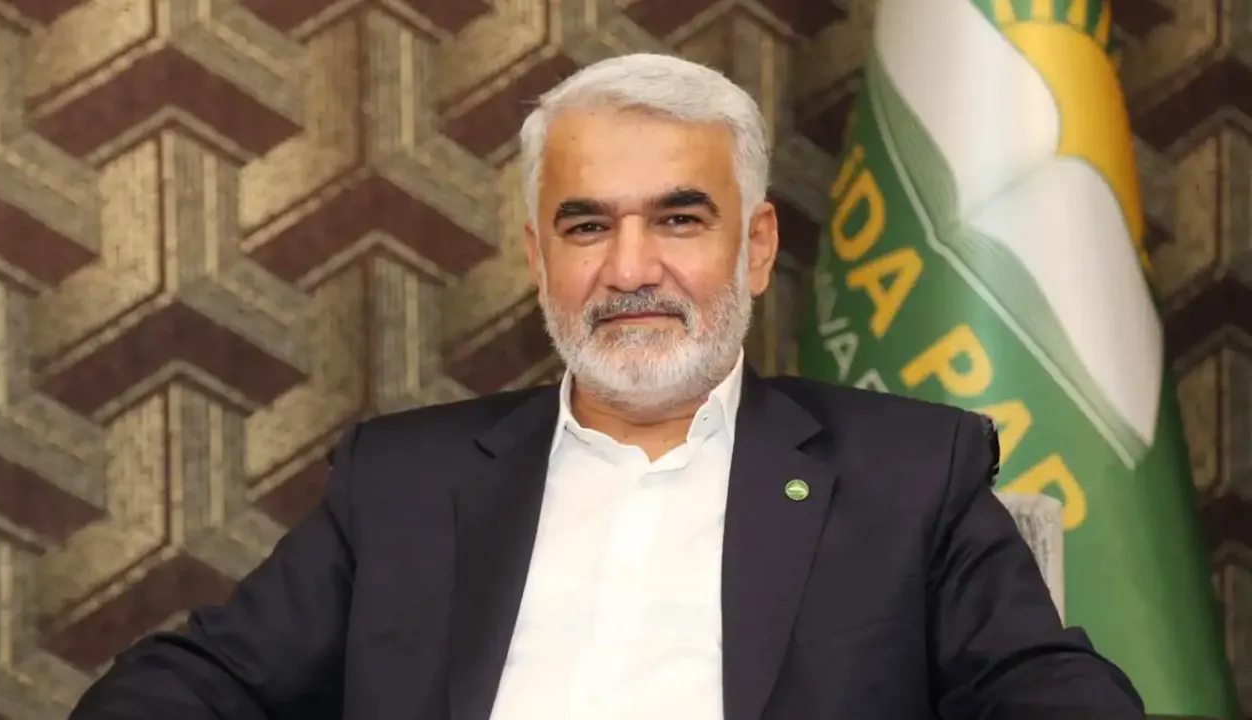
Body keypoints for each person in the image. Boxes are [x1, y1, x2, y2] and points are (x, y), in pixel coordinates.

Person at [69, 53, 1145, 720]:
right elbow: (200, 683)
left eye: (678, 218)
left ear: (756, 248)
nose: (630, 269)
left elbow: (1044, 690)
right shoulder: (403, 481)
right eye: (587, 226)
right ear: (538, 258)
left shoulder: (907, 473)